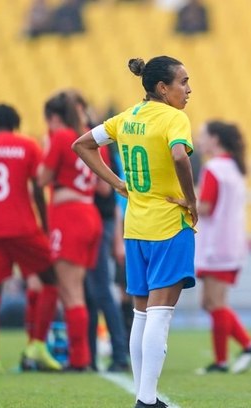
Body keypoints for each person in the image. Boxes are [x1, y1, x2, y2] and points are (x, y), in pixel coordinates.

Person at [72, 55, 197, 408]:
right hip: (169, 224)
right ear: (162, 87)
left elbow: (81, 145)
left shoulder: (125, 118)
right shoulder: (175, 118)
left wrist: (118, 184)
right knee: (160, 314)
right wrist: (192, 200)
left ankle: (146, 397)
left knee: (142, 314)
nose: (188, 90)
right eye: (183, 82)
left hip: (136, 228)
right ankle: (145, 399)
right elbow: (179, 156)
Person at [0, 104, 61, 374]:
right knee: (52, 280)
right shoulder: (27, 146)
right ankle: (37, 345)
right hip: (23, 227)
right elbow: (39, 188)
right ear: (15, 121)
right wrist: (45, 223)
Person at [37, 92, 106, 371]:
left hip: (69, 216)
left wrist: (46, 149)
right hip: (90, 214)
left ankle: (79, 358)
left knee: (70, 291)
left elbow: (42, 177)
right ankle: (81, 356)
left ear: (53, 117)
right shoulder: (87, 138)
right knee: (77, 289)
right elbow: (102, 185)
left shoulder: (61, 137)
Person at [193, 121, 251, 375]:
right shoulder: (234, 168)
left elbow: (205, 207)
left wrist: (181, 202)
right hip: (230, 243)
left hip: (216, 245)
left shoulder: (214, 168)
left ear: (215, 139)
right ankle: (238, 351)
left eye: (203, 136)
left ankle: (241, 350)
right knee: (211, 302)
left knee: (215, 302)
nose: (199, 141)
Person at [69, 91, 130, 373]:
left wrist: (117, 236)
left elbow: (111, 189)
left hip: (101, 221)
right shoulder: (89, 140)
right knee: (91, 291)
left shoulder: (97, 142)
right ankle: (91, 355)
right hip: (92, 221)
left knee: (101, 290)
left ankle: (118, 353)